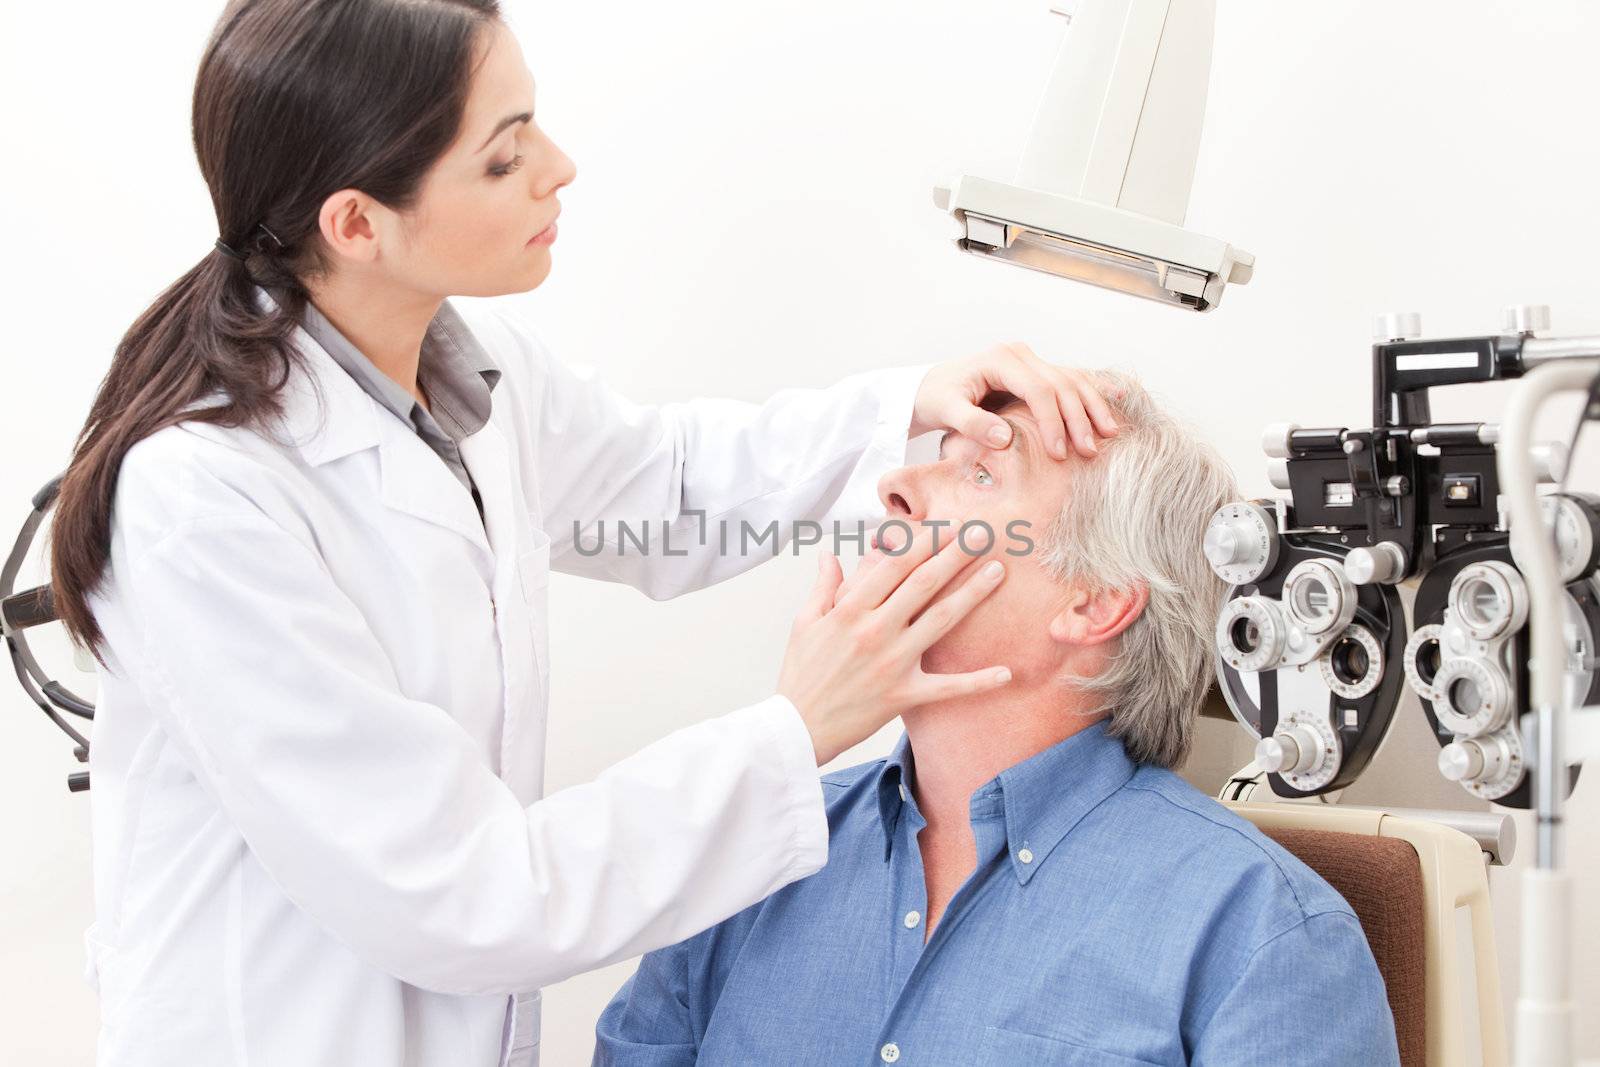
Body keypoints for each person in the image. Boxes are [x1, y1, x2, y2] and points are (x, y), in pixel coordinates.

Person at [50, 3, 1120, 1065]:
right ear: (357, 223)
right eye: (505, 157)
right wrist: (796, 727)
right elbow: (463, 892)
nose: (559, 168)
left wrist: (906, 406)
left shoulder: (476, 381)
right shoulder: (206, 499)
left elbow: (669, 486)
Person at [594, 376, 1402, 1066]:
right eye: (937, 460)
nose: (895, 486)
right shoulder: (750, 855)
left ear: (1095, 601)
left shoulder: (1264, 935)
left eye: (980, 474)